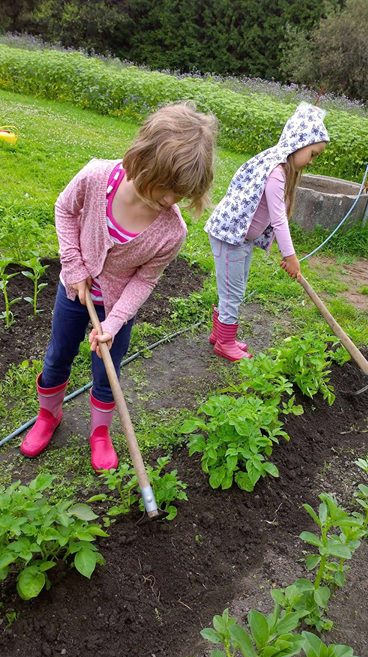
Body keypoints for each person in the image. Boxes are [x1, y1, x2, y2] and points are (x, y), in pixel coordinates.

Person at [20, 102, 217, 471]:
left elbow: (145, 279)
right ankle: (48, 416)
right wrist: (74, 265)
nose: (171, 200)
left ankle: (100, 433)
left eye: (181, 193)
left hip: (115, 310)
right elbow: (64, 209)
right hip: (72, 292)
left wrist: (112, 324)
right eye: (166, 188)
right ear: (143, 160)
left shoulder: (171, 232)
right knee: (57, 355)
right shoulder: (96, 178)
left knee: (107, 372)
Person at [205, 101, 329, 361]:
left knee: (232, 288)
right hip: (230, 237)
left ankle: (221, 335)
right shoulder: (276, 171)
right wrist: (290, 256)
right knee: (233, 291)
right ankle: (224, 342)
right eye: (313, 154)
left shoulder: (280, 166)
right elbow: (279, 219)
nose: (312, 161)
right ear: (299, 142)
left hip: (241, 239)